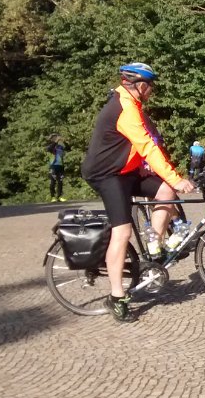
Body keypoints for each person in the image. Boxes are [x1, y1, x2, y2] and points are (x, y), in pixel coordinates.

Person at [81, 63, 195, 322]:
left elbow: (135, 145)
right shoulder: (124, 107)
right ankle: (116, 296)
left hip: (125, 171)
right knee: (122, 232)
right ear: (141, 86)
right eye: (150, 86)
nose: (152, 90)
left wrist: (159, 177)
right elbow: (146, 146)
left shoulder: (132, 104)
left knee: (165, 191)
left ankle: (154, 247)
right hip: (107, 175)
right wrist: (176, 178)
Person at [46, 134, 67, 202]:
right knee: (53, 182)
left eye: (56, 137)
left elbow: (68, 149)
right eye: (54, 138)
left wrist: (65, 141)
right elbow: (49, 149)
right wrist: (56, 141)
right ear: (51, 139)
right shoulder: (50, 146)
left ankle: (59, 196)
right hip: (53, 166)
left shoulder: (60, 146)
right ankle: (53, 197)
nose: (56, 138)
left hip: (60, 166)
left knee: (60, 182)